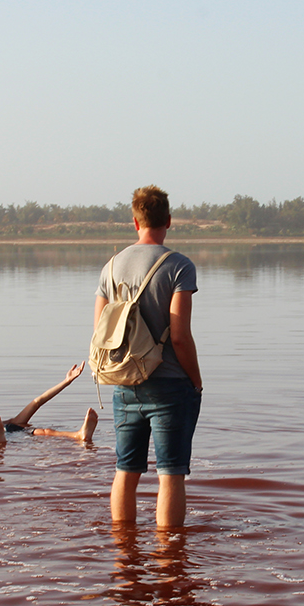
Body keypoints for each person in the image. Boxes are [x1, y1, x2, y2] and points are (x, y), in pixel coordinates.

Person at [94, 185, 202, 529]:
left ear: (135, 221)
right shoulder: (178, 266)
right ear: (168, 220)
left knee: (125, 471)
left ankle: (124, 555)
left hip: (124, 384)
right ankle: (169, 558)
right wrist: (195, 382)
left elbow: (100, 330)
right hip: (170, 384)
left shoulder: (110, 267)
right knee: (170, 475)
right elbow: (180, 336)